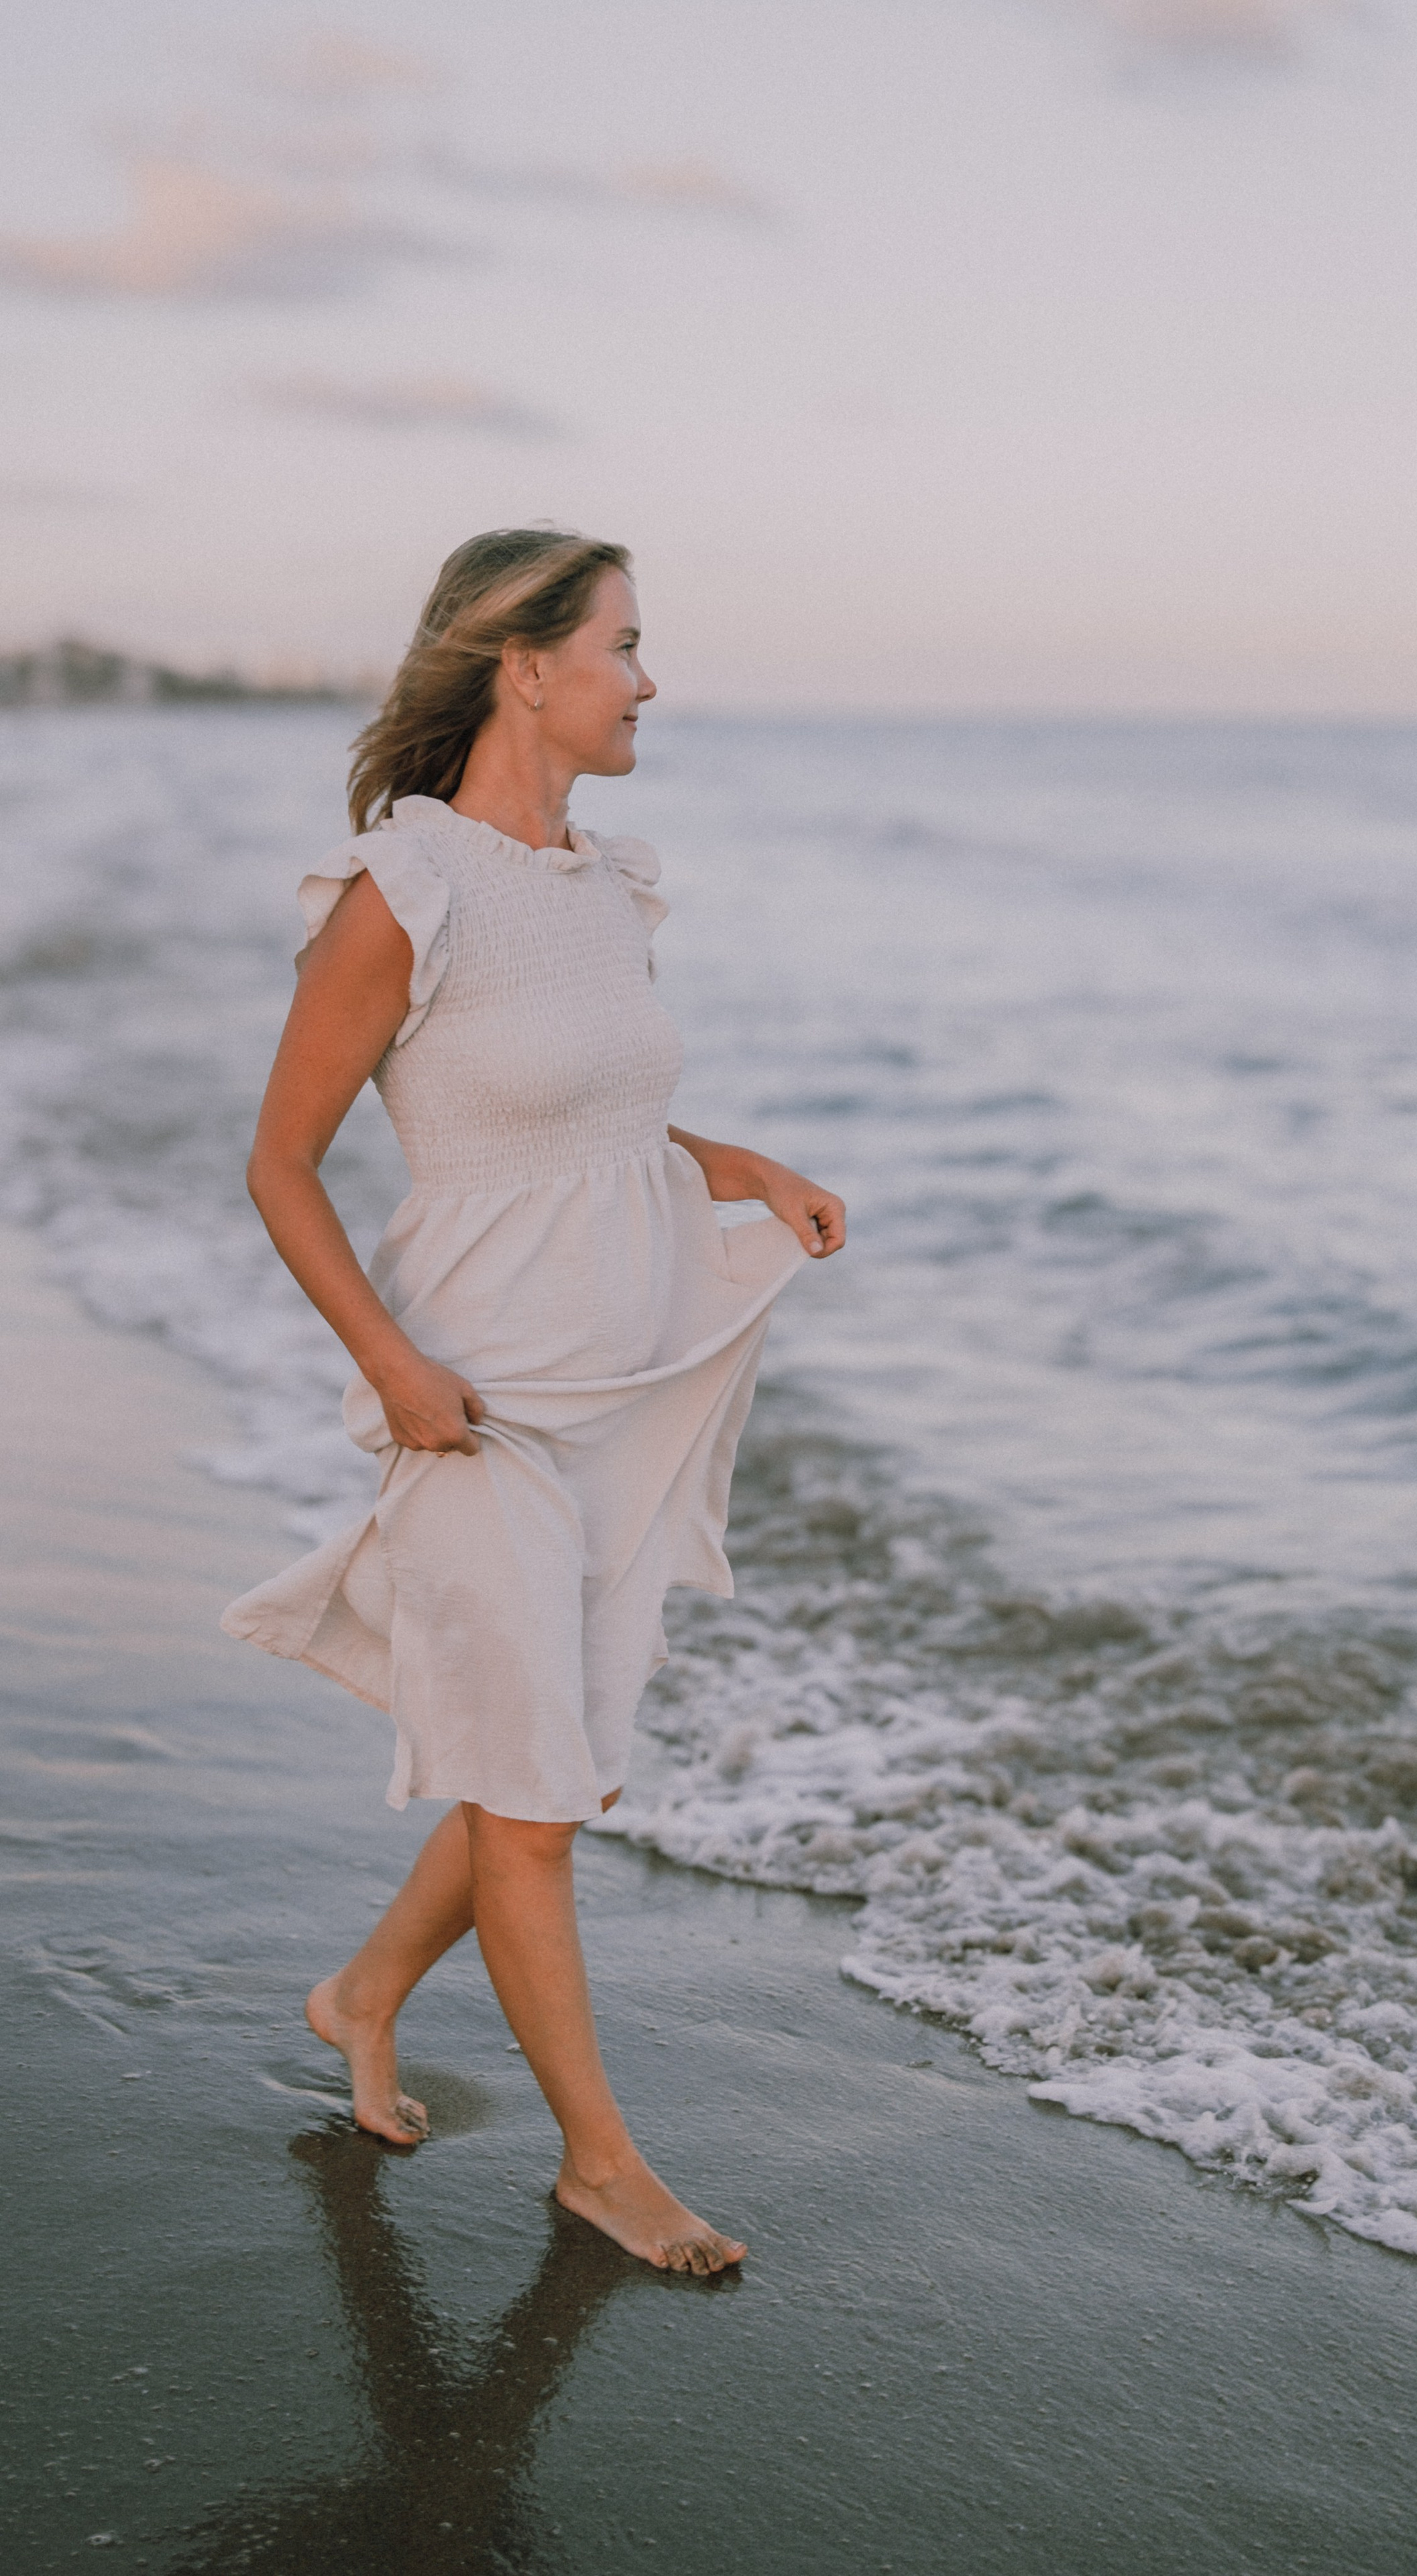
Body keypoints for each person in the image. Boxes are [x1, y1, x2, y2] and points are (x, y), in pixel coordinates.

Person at [223, 528, 844, 2274]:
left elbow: (598, 1129)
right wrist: (397, 1367)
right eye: (626, 644)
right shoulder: (400, 891)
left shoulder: (598, 885)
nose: (649, 679)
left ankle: (361, 1992)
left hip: (615, 1390)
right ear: (526, 666)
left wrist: (745, 1165)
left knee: (538, 1777)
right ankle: (600, 2161)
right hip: (477, 1407)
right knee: (535, 1796)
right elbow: (279, 1163)